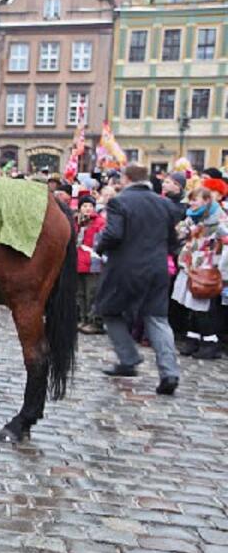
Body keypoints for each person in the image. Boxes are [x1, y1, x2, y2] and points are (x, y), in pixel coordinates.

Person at [96, 164, 181, 395]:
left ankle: (129, 358)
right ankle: (169, 372)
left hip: (125, 268)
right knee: (157, 319)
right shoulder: (164, 204)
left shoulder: (119, 202)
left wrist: (100, 245)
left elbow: (113, 234)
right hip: (157, 268)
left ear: (126, 178)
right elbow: (173, 240)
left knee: (109, 310)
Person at [171, 187, 227, 359]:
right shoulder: (192, 217)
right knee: (190, 305)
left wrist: (222, 270)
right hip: (190, 264)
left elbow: (224, 242)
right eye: (191, 199)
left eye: (195, 200)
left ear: (206, 201)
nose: (192, 203)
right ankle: (193, 338)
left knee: (202, 306)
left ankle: (210, 342)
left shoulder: (218, 219)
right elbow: (179, 232)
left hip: (206, 266)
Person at [76, 194, 105, 335]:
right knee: (80, 293)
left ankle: (94, 321)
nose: (87, 209)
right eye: (84, 206)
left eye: (90, 206)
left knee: (92, 293)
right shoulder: (77, 222)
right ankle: (83, 318)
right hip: (78, 262)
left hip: (93, 263)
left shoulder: (100, 222)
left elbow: (101, 242)